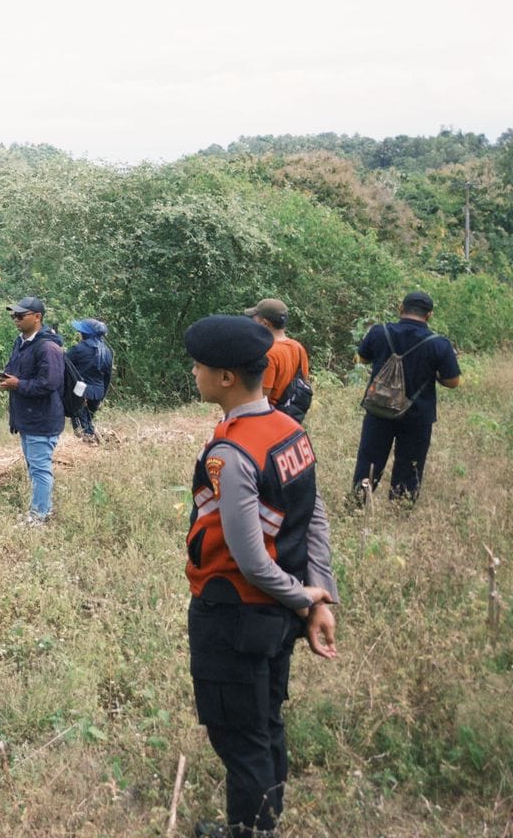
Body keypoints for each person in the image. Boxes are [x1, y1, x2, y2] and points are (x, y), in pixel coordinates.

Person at [182, 314, 338, 837]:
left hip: (236, 612)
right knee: (266, 720)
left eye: (201, 366)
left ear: (227, 377)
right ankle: (265, 825)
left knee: (240, 734)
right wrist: (317, 599)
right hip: (275, 615)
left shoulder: (233, 452)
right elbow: (313, 516)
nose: (195, 373)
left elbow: (250, 559)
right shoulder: (290, 430)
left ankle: (250, 832)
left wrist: (301, 599)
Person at [352, 291, 462, 502]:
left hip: (379, 410)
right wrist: (435, 374)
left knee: (369, 460)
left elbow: (362, 359)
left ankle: (359, 502)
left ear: (401, 308)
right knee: (410, 465)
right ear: (429, 315)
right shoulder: (439, 343)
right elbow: (453, 382)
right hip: (418, 416)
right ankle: (400, 508)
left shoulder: (379, 332)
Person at [0, 297, 65, 524]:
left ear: (37, 317)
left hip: (42, 418)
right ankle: (41, 509)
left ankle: (39, 516)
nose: (15, 319)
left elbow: (49, 383)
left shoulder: (48, 346)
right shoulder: (21, 342)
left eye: (20, 315)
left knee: (39, 468)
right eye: (13, 316)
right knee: (34, 466)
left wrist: (18, 384)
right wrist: (8, 376)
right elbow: (15, 368)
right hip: (26, 416)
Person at [244, 299, 310, 419]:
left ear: (264, 323)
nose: (253, 321)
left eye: (255, 318)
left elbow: (262, 397)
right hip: (291, 417)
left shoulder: (269, 353)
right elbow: (304, 380)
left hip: (271, 418)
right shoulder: (298, 347)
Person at [65, 319, 114, 441]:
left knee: (80, 428)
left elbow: (63, 364)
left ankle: (88, 445)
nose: (79, 333)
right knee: (88, 423)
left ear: (85, 334)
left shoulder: (78, 349)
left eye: (80, 331)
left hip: (80, 390)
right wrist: (102, 397)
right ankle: (93, 442)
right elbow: (107, 377)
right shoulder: (108, 351)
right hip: (98, 392)